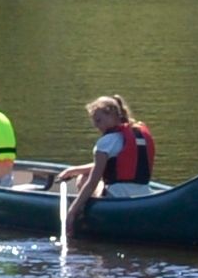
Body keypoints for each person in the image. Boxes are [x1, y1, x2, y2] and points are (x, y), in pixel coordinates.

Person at [55, 95, 155, 231]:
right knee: (84, 174)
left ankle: (86, 215)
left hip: (116, 197)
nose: (96, 125)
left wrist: (72, 210)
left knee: (83, 178)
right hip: (144, 195)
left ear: (112, 115)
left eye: (98, 120)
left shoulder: (105, 142)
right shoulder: (136, 135)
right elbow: (113, 164)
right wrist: (72, 170)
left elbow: (93, 181)